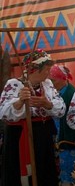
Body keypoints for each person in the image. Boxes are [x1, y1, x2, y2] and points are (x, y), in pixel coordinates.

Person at [0, 49, 65, 185]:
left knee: (45, 172)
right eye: (47, 69)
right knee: (20, 173)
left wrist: (47, 104)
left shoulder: (47, 85)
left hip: (44, 135)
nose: (49, 72)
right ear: (34, 70)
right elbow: (3, 112)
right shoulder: (14, 84)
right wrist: (19, 102)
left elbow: (61, 109)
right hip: (20, 135)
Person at [49, 64, 75, 186]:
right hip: (59, 136)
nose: (51, 83)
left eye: (53, 80)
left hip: (69, 140)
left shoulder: (71, 94)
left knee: (71, 170)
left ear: (63, 78)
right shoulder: (57, 92)